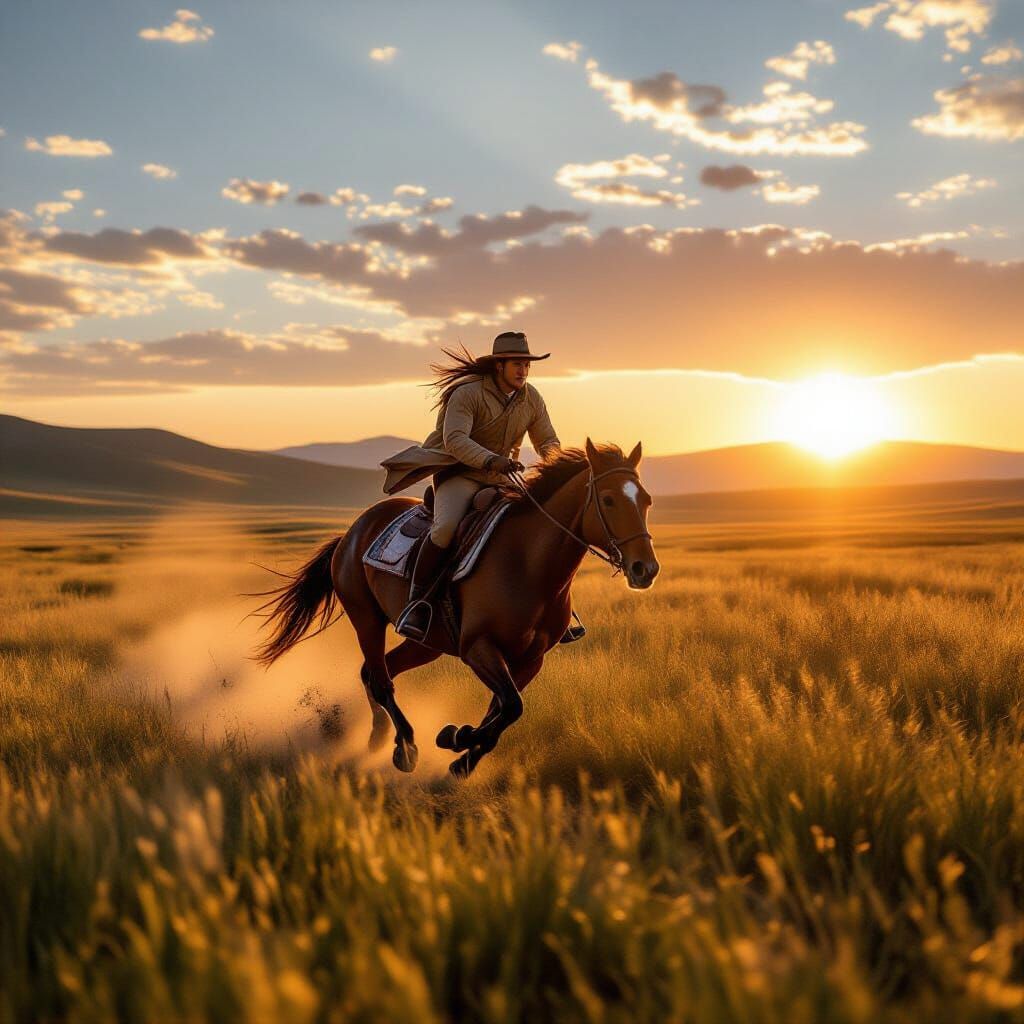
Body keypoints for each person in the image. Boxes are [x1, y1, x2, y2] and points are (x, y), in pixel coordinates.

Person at [381, 331, 585, 644]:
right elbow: (455, 440)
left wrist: (557, 467)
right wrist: (491, 460)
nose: (523, 371)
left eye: (527, 365)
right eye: (517, 364)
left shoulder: (531, 398)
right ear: (499, 365)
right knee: (445, 529)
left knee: (538, 525)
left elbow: (547, 440)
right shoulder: (467, 393)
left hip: (501, 477)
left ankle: (553, 611)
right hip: (460, 473)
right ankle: (418, 603)